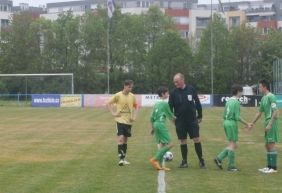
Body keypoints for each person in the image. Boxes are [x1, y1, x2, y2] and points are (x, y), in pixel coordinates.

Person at [168, 73, 205, 168]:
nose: (175, 84)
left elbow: (197, 102)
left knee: (196, 139)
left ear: (182, 80)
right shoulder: (173, 93)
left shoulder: (191, 89)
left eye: (176, 81)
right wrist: (172, 117)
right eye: (174, 82)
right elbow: (169, 107)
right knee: (183, 141)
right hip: (180, 121)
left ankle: (201, 160)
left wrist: (200, 115)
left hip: (192, 120)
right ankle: (184, 162)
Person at [214, 85, 252, 172]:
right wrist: (247, 124)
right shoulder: (236, 102)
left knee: (233, 144)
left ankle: (219, 158)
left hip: (226, 122)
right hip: (231, 123)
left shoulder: (229, 101)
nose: (242, 93)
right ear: (238, 91)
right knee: (232, 145)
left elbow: (224, 115)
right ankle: (231, 166)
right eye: (242, 91)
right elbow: (237, 117)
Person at [106, 80, 138, 166]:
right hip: (119, 120)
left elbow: (136, 106)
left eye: (131, 87)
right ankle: (120, 159)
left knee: (125, 140)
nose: (131, 88)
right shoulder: (118, 95)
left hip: (128, 122)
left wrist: (134, 116)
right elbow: (108, 103)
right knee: (120, 138)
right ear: (125, 86)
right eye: (129, 87)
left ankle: (123, 158)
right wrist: (113, 113)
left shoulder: (132, 96)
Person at [250, 79, 279, 174]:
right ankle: (269, 166)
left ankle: (273, 168)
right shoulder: (263, 98)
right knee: (267, 145)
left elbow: (276, 111)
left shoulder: (271, 96)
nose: (259, 88)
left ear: (265, 87)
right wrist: (252, 123)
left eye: (260, 87)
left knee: (271, 144)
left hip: (271, 122)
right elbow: (259, 112)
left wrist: (270, 124)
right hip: (267, 122)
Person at [150, 86, 176, 171]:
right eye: (167, 93)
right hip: (161, 125)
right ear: (162, 94)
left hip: (155, 124)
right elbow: (171, 116)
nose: (168, 94)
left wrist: (153, 128)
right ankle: (155, 159)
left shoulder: (156, 104)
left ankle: (160, 166)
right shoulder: (165, 104)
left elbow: (151, 118)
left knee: (162, 145)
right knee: (170, 144)